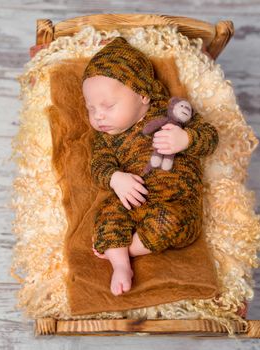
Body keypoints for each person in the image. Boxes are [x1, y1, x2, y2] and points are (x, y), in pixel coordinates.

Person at [82, 37, 219, 297]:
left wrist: (186, 139)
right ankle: (120, 265)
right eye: (91, 108)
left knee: (172, 221)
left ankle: (127, 249)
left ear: (143, 95)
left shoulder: (172, 112)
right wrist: (115, 178)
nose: (98, 115)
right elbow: (98, 166)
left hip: (176, 205)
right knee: (109, 211)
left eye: (108, 106)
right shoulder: (107, 138)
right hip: (134, 203)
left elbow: (210, 137)